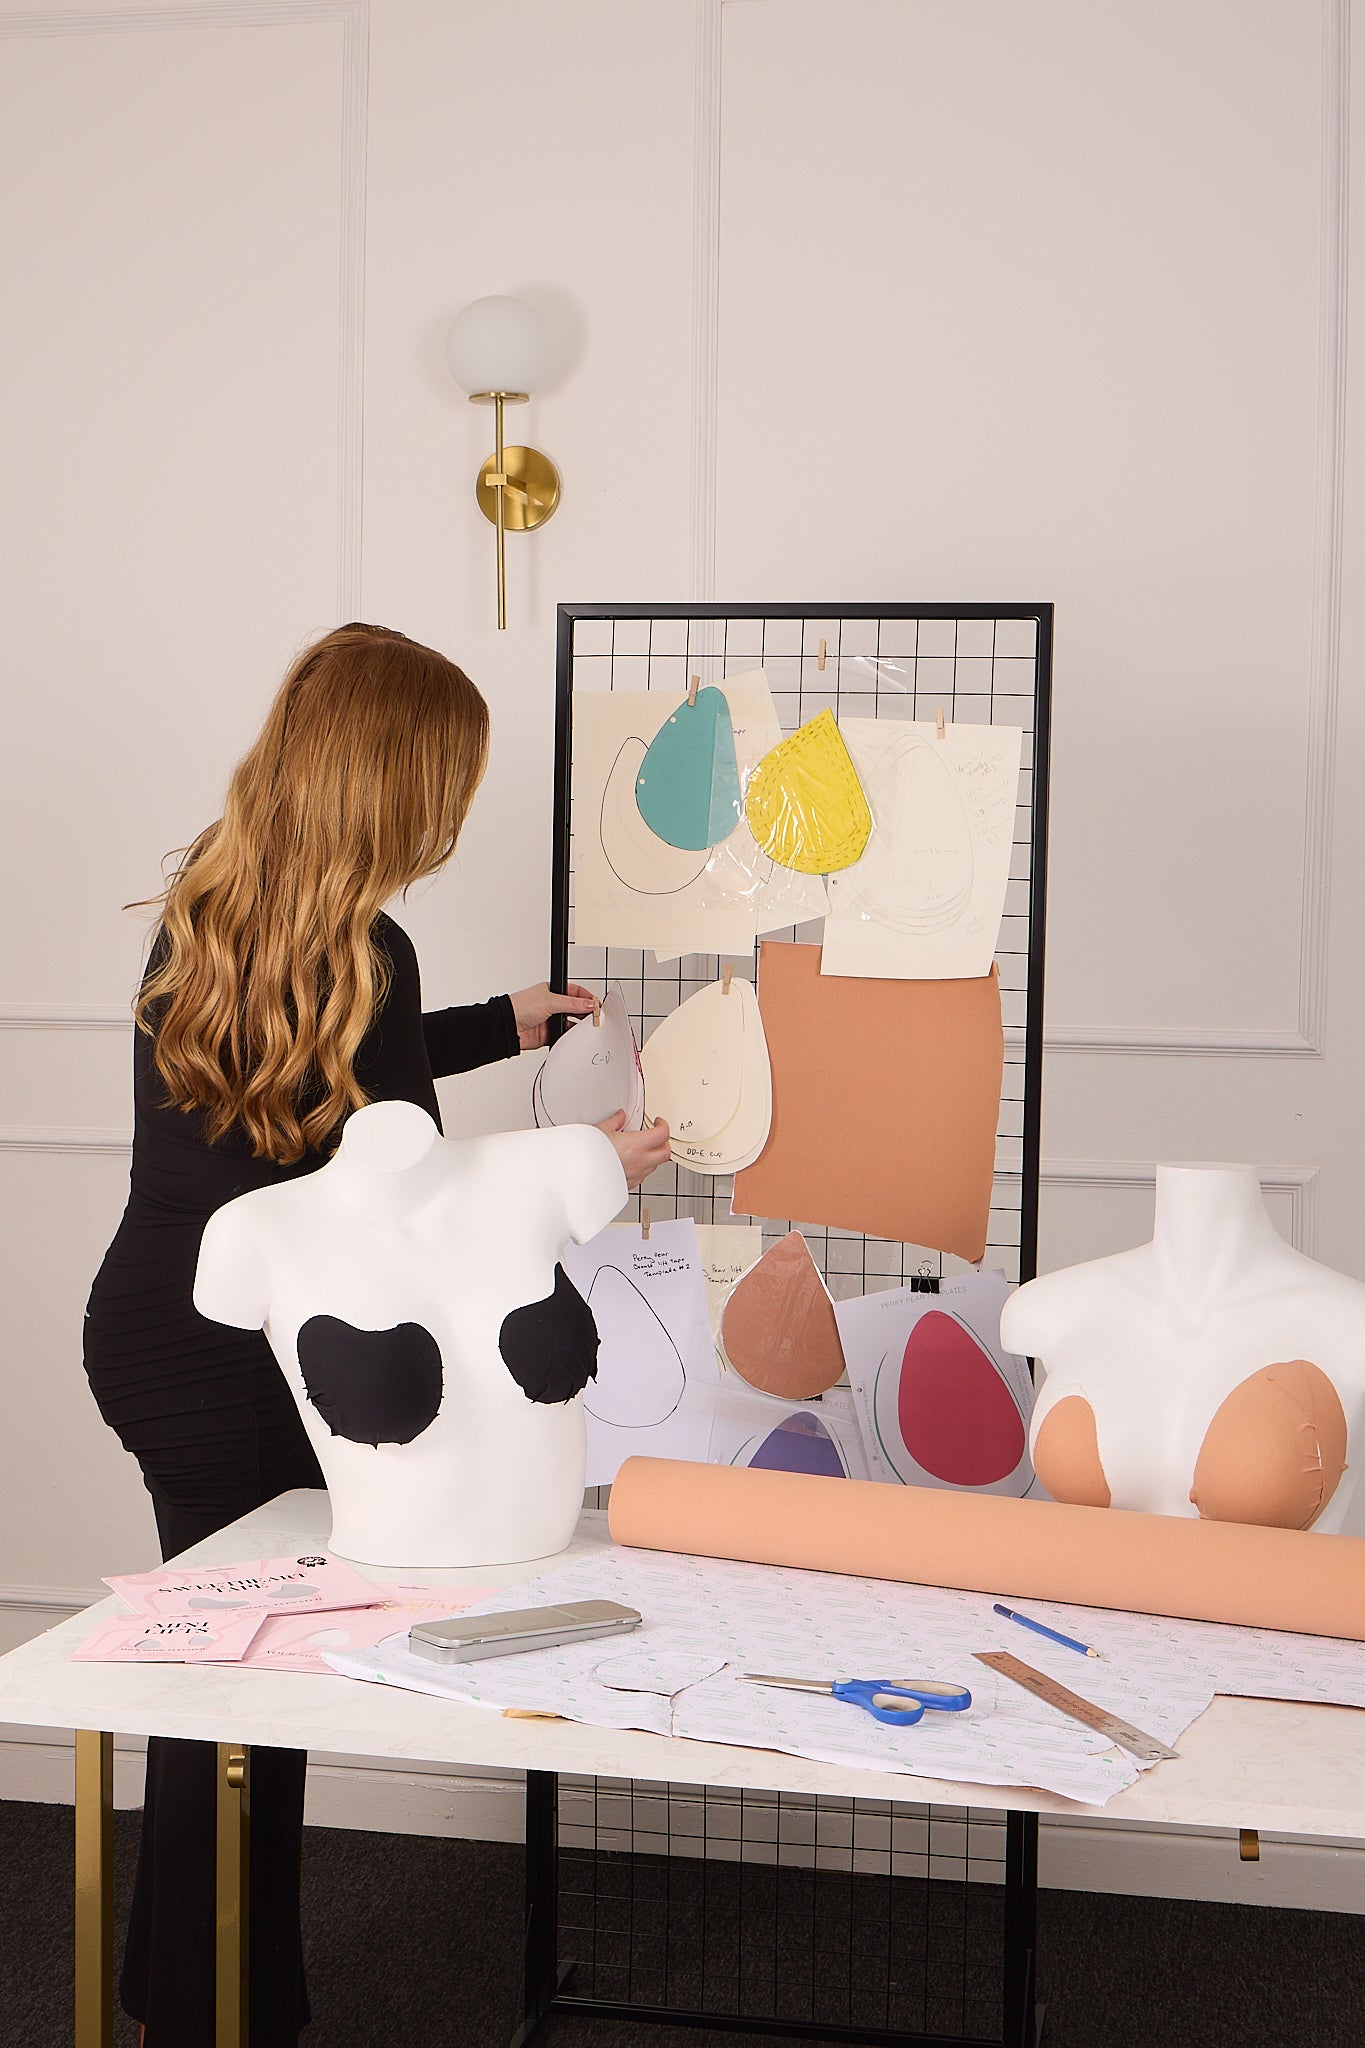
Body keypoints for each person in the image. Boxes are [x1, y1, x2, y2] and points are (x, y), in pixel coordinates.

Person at [82, 622, 670, 2047]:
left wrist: (502, 1024)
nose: (455, 814)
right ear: (396, 788)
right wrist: (574, 1165)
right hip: (268, 1365)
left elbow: (339, 1076)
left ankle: (179, 1988)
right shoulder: (372, 952)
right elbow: (400, 1161)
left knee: (213, 1668)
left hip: (157, 1334)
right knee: (255, 1698)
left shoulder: (211, 913)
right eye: (446, 784)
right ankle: (224, 2014)